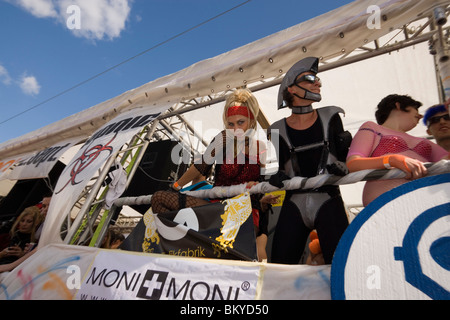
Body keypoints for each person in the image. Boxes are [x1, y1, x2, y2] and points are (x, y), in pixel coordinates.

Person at [151, 88, 279, 261]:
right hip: (216, 209)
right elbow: (201, 166)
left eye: (240, 122)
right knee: (159, 198)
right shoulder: (223, 139)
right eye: (230, 124)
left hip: (244, 213)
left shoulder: (260, 148)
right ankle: (182, 255)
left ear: (251, 121)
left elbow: (259, 189)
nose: (235, 129)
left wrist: (264, 202)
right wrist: (176, 186)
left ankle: (199, 250)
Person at [268, 56, 351, 265]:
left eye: (318, 79)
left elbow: (347, 160)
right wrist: (278, 177)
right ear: (292, 89)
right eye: (309, 78)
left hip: (328, 198)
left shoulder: (332, 116)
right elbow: (283, 168)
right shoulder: (277, 128)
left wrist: (344, 165)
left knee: (343, 267)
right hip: (293, 202)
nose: (317, 82)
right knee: (279, 267)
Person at [346, 94, 449, 207]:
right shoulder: (372, 127)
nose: (420, 116)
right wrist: (392, 160)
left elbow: (447, 161)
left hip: (425, 203)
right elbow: (353, 164)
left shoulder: (424, 141)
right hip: (384, 202)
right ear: (398, 105)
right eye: (415, 110)